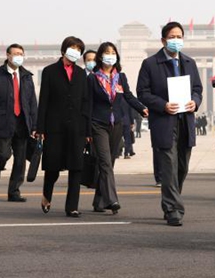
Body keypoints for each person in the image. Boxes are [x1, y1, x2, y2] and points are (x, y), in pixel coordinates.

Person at [137, 22, 203, 227]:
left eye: (179, 36)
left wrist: (195, 101)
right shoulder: (150, 64)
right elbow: (143, 93)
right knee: (168, 166)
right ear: (163, 40)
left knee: (182, 167)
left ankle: (173, 200)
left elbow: (198, 89)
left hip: (185, 121)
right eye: (172, 37)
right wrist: (163, 105)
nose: (176, 40)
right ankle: (173, 208)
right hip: (164, 122)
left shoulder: (189, 63)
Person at [88, 41, 148, 214]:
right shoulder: (92, 78)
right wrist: (86, 130)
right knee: (105, 162)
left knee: (110, 163)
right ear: (100, 56)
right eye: (107, 52)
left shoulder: (120, 77)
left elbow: (128, 96)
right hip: (98, 124)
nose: (110, 55)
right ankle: (112, 200)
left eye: (113, 52)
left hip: (117, 124)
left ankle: (99, 201)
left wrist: (142, 108)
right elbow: (88, 104)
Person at [36, 36, 92, 218]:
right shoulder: (49, 71)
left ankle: (72, 207)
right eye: (72, 48)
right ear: (63, 50)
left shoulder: (81, 73)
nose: (75, 52)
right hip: (54, 127)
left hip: (77, 128)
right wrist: (40, 128)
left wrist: (87, 130)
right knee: (53, 167)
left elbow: (86, 103)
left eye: (79, 49)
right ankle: (47, 195)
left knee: (76, 168)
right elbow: (43, 101)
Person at [0, 44, 38, 202]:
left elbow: (32, 102)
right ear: (7, 55)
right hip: (3, 122)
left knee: (20, 160)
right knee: (3, 154)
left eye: (21, 53)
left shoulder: (27, 76)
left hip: (22, 123)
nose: (19, 56)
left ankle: (14, 191)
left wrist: (35, 126)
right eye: (15, 53)